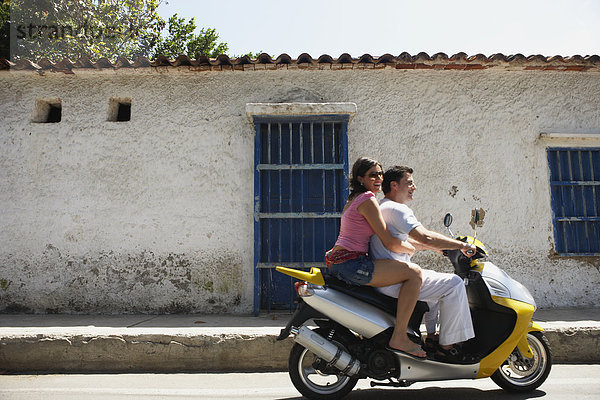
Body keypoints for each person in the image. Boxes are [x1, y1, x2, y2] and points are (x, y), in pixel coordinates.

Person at [369, 166, 477, 362]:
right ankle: (447, 348)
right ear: (394, 185)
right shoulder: (398, 209)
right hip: (397, 281)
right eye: (409, 183)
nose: (414, 187)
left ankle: (432, 338)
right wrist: (462, 245)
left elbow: (403, 242)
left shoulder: (383, 207)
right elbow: (425, 236)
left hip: (388, 277)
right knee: (454, 284)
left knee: (436, 286)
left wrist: (437, 248)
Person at [326, 157, 426, 359]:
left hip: (340, 261)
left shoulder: (354, 198)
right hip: (352, 264)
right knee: (414, 274)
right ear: (361, 178)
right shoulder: (368, 200)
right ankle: (399, 336)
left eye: (380, 173)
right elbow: (389, 241)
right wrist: (410, 249)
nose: (379, 178)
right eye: (373, 174)